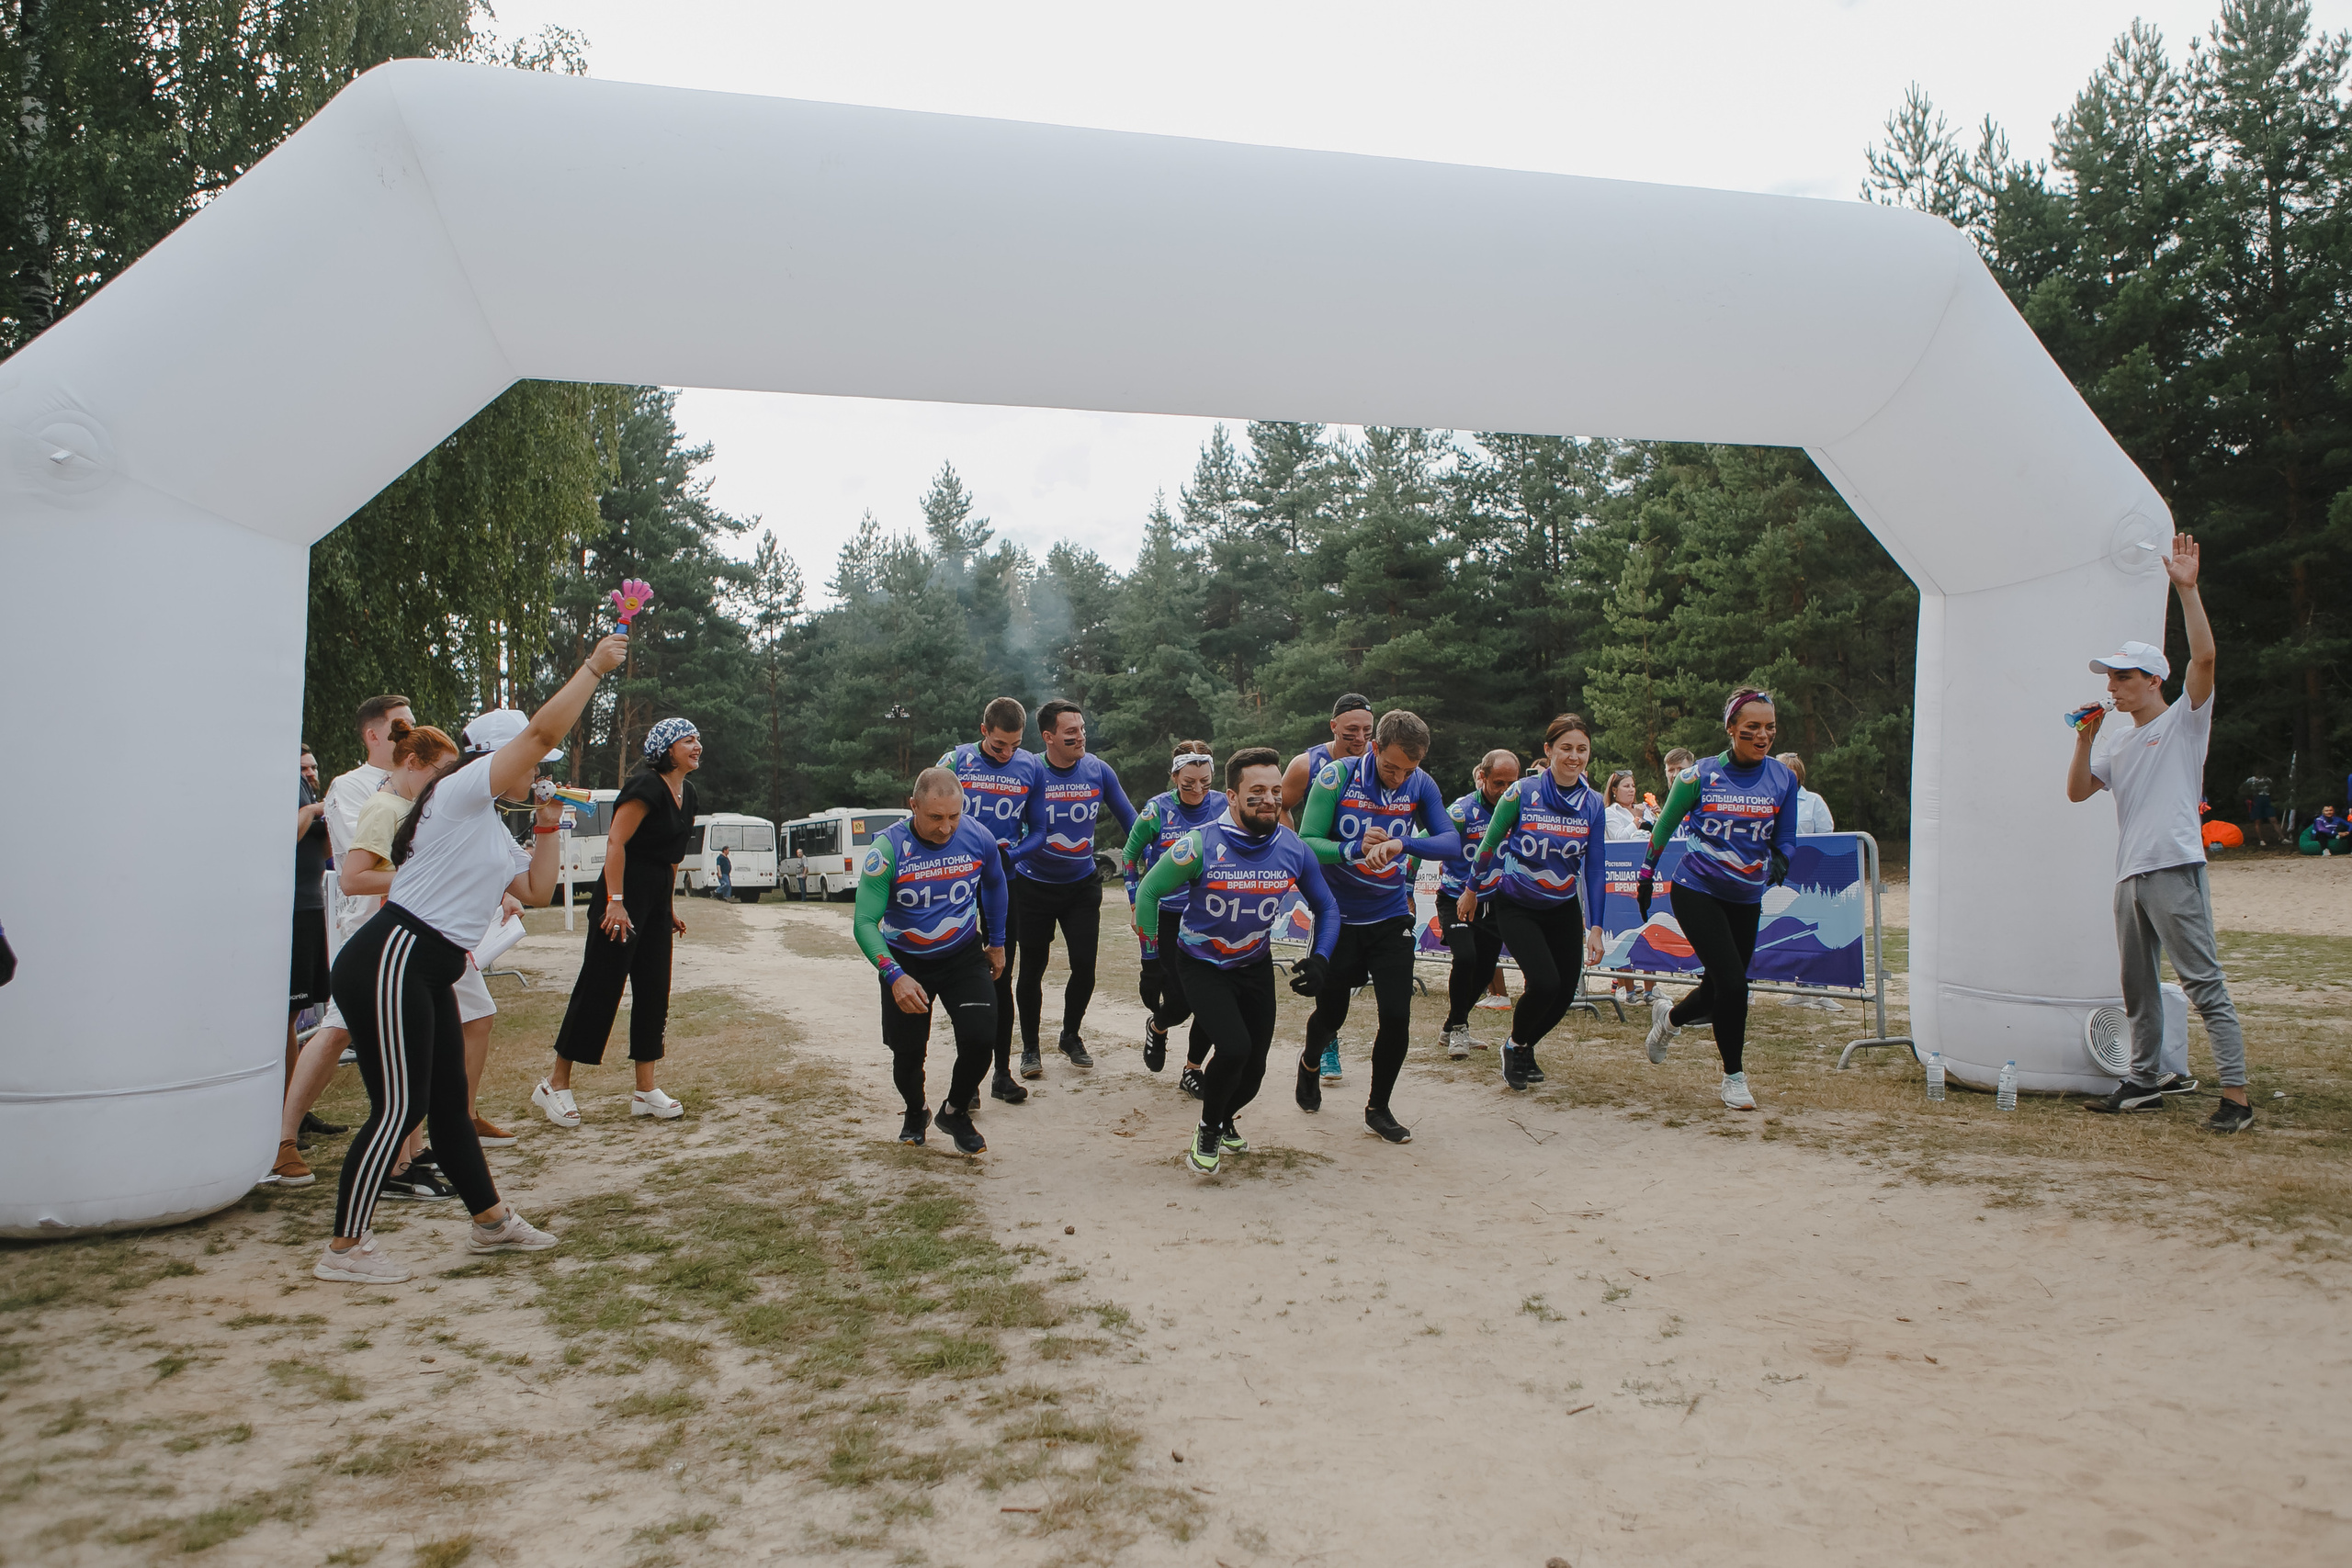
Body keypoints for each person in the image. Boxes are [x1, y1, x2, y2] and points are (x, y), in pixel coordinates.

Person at [316, 634, 626, 1283]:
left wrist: (545, 823)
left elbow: (535, 891)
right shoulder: (459, 792)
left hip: (428, 963)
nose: (540, 771)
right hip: (394, 954)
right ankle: (344, 1249)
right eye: (531, 765)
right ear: (497, 757)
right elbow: (541, 732)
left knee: (448, 1104)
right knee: (401, 1106)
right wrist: (595, 667)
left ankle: (490, 1223)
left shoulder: (486, 821)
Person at [2067, 535, 2251, 1131]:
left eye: (2122, 677)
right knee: (2137, 986)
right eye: (2110, 677)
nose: (2112, 686)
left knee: (2203, 982)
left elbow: (2205, 660)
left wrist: (2188, 590)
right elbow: (2076, 791)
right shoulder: (2116, 740)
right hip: (2131, 874)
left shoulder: (2183, 721)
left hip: (2173, 864)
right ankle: (2144, 1080)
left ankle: (2237, 1097)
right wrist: (2084, 738)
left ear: (2152, 679)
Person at [1133, 748, 1340, 1175]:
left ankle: (1224, 1117)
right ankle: (1207, 1129)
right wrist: (1151, 961)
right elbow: (1150, 892)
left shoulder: (1293, 848)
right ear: (1231, 796)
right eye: (1257, 791)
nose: (1270, 800)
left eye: (1277, 791)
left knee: (1257, 1067)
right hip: (1200, 963)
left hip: (1253, 965)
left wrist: (1319, 958)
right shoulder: (1198, 844)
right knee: (1235, 1047)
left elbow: (1328, 907)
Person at [1295, 708, 1462, 1144]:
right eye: (1390, 767)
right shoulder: (1336, 777)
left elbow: (1450, 841)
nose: (1398, 777)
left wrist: (1403, 841)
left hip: (1390, 916)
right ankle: (1310, 1062)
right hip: (1339, 917)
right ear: (1373, 748)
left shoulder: (1419, 783)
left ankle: (1378, 1107)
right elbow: (1306, 843)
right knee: (1332, 1013)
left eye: (1409, 769)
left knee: (1396, 1014)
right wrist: (1350, 848)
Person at [269, 697, 412, 1189]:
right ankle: (283, 1140)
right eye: (400, 725)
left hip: (417, 921)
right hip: (367, 922)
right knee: (337, 1029)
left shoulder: (418, 779)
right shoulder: (347, 788)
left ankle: (411, 1149)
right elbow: (360, 860)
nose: (409, 731)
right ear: (373, 735)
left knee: (441, 1024)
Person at [1636, 690, 1801, 1111]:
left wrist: (1782, 857)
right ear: (1731, 730)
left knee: (1718, 988)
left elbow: (1785, 835)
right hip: (1697, 889)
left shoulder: (1784, 779)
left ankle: (1668, 1022)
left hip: (1746, 896)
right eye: (1752, 729)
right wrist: (1645, 875)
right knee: (1733, 984)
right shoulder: (1697, 777)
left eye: (1770, 728)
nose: (1762, 736)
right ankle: (1734, 1077)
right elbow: (1663, 827)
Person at [536, 716, 703, 1127]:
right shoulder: (645, 787)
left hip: (654, 899)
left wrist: (668, 906)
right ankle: (555, 1085)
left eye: (698, 738)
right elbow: (617, 842)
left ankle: (645, 1091)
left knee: (653, 992)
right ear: (666, 749)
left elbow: (673, 856)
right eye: (688, 739)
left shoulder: (690, 793)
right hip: (621, 896)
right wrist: (615, 902)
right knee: (600, 987)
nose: (697, 745)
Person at [854, 768, 1007, 1154]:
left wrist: (998, 942)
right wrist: (894, 976)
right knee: (907, 1056)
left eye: (954, 816)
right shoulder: (886, 850)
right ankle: (915, 1109)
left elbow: (994, 881)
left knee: (981, 1036)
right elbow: (864, 922)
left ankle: (954, 1111)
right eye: (935, 817)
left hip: (962, 955)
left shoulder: (976, 835)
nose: (946, 828)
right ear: (913, 807)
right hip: (907, 963)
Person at [1469, 716, 1609, 1090]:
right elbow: (1489, 844)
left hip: (1562, 907)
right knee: (1545, 984)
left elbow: (1595, 869)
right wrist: (1470, 888)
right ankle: (1516, 1044)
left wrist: (1595, 927)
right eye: (1566, 748)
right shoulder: (1520, 793)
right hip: (1516, 903)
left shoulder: (1594, 803)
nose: (1574, 757)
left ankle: (1520, 1045)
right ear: (1548, 751)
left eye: (1582, 749)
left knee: (1565, 992)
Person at [1006, 700, 1136, 1077]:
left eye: (1081, 729)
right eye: (1071, 732)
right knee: (1032, 969)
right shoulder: (1029, 770)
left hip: (1081, 886)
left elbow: (1131, 820)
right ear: (1048, 737)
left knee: (1084, 966)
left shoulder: (1098, 769)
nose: (1081, 737)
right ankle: (1030, 1048)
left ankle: (1071, 1034)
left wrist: (1155, 853)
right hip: (1033, 887)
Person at [940, 698, 1043, 1104]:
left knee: (1001, 977)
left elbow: (1040, 831)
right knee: (962, 980)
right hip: (958, 886)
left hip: (1005, 882)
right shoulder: (955, 761)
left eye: (1015, 745)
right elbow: (927, 814)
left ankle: (1001, 1074)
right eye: (1000, 745)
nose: (1007, 754)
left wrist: (1008, 856)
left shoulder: (1030, 765)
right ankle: (970, 1080)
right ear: (983, 730)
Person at [1280, 694, 1376, 1077]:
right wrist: (1297, 849)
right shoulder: (1307, 764)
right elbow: (1280, 804)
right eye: (1351, 730)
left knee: (1355, 969)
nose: (1360, 738)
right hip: (1324, 872)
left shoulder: (1377, 760)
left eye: (1367, 731)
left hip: (1366, 875)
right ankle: (1328, 1045)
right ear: (1333, 726)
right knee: (1329, 961)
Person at [1120, 741, 1227, 1080]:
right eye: (1188, 783)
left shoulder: (1224, 805)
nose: (1198, 790)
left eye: (1206, 783)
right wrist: (1136, 901)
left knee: (1212, 1000)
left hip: (1210, 914)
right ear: (1174, 777)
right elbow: (1129, 856)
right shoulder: (1157, 811)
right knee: (1180, 1002)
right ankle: (1159, 1025)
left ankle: (1193, 1069)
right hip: (1166, 914)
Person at [1433, 750, 1521, 1058]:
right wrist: (1406, 891)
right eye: (1498, 783)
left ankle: (1450, 1025)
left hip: (1495, 900)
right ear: (1481, 777)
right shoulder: (1461, 812)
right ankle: (1459, 1029)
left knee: (1485, 971)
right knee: (1466, 957)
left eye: (1512, 783)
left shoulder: (1518, 807)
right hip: (1456, 897)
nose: (1505, 791)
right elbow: (1423, 843)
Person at [1777, 753, 1836, 835]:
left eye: (1791, 771)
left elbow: (1826, 836)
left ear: (1799, 774)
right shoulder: (1769, 800)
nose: (1786, 775)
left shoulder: (1814, 800)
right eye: (1782, 771)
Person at [2243, 773, 2280, 847]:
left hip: (2266, 799)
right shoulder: (2250, 780)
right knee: (2258, 821)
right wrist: (2249, 799)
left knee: (2273, 819)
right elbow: (2244, 790)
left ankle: (2282, 838)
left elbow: (2272, 789)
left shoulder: (2267, 780)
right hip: (2256, 800)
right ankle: (2261, 840)